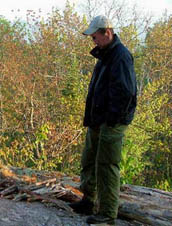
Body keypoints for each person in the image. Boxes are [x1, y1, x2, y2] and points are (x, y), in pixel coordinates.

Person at [70, 15, 137, 225]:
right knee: (89, 160)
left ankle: (108, 214)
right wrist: (93, 118)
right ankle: (88, 200)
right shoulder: (105, 55)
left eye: (95, 36)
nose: (93, 41)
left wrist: (111, 120)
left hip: (112, 122)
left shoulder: (121, 56)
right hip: (98, 120)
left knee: (107, 165)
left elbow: (126, 93)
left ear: (107, 33)